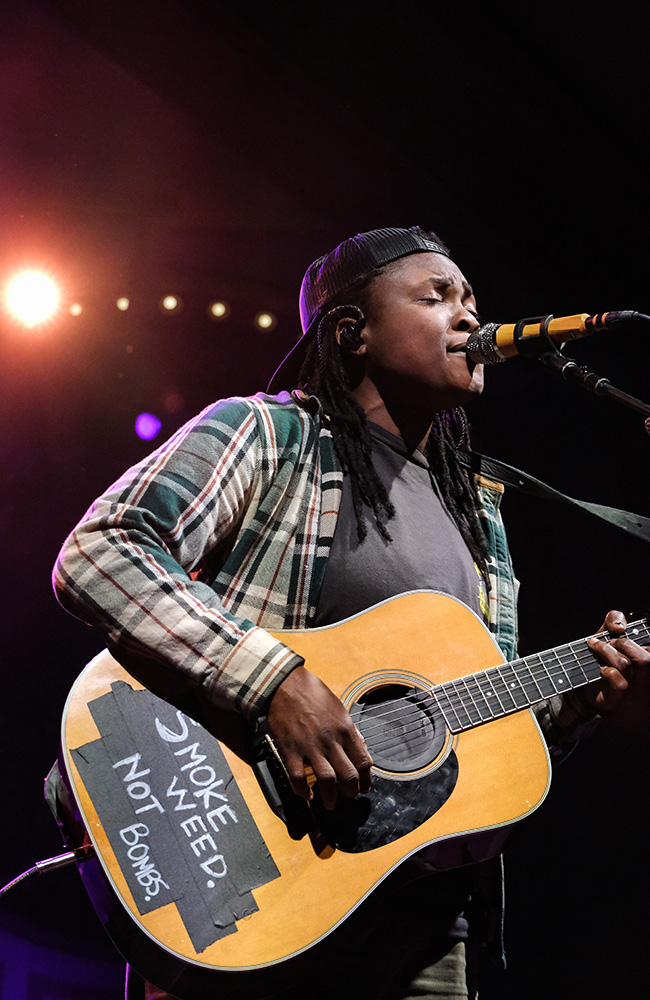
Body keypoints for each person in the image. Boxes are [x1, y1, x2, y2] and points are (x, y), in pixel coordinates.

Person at [53, 227, 648, 999]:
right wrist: (274, 682)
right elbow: (102, 549)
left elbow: (458, 746)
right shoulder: (270, 434)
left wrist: (568, 710)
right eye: (437, 297)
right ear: (351, 332)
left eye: (472, 301)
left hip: (427, 924)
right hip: (254, 883)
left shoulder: (481, 512)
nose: (469, 318)